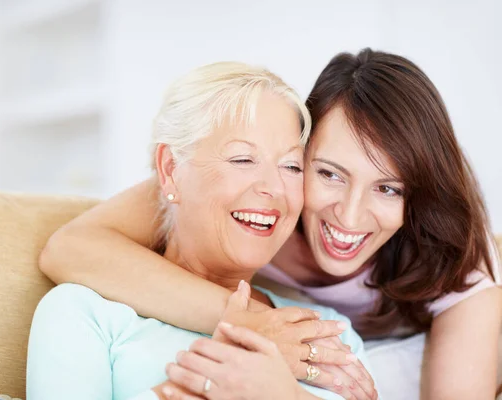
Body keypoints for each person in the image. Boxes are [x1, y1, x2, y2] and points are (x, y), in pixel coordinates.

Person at [39, 49, 502, 399]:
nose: (350, 214)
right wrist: (254, 329)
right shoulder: (244, 200)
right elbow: (71, 247)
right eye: (328, 173)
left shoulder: (450, 275)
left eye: (389, 188)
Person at [27, 61, 377, 400]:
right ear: (170, 169)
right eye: (242, 159)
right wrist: (209, 381)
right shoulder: (84, 312)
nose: (274, 187)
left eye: (291, 166)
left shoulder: (327, 331)